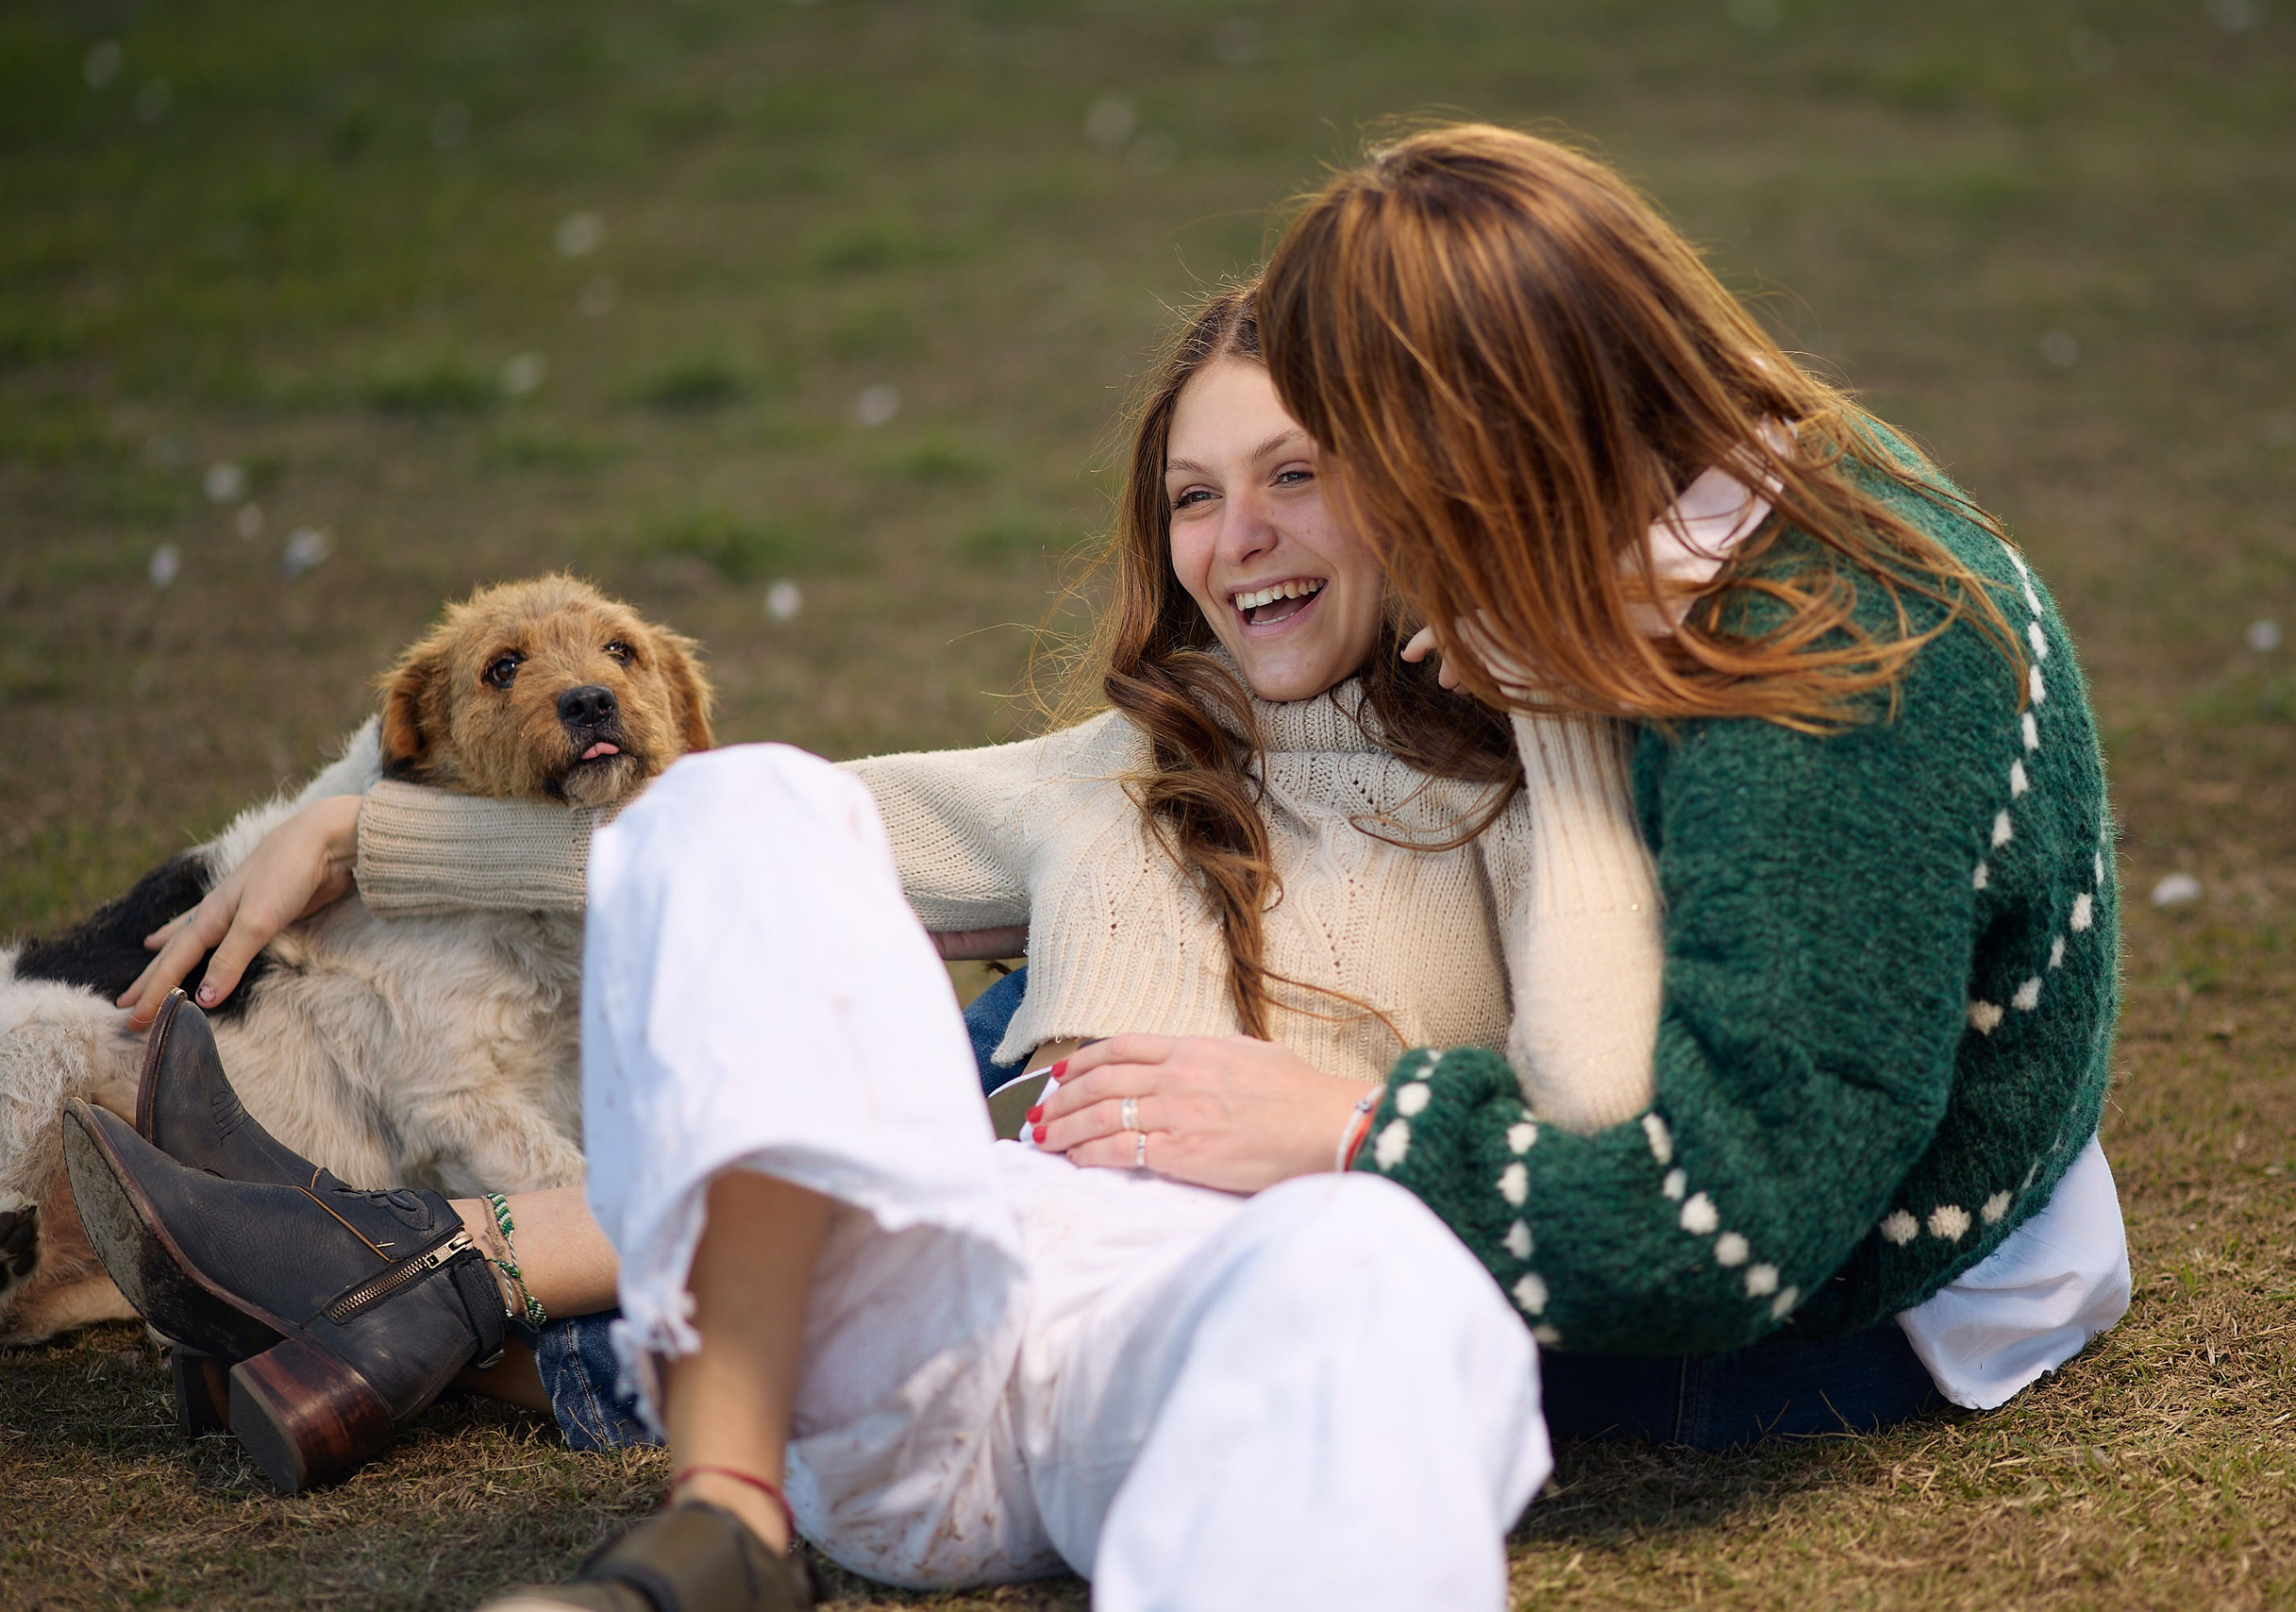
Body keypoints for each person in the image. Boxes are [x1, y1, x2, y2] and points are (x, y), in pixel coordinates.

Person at [93, 123, 2131, 1605]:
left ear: (1455, 475)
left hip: (1197, 1296)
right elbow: (817, 824)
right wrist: (366, 823)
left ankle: (414, 1278)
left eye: (1315, 476)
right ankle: (691, 1494)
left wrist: (1545, 720)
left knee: (1341, 1282)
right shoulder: (1139, 745)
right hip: (937, 1253)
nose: (1246, 535)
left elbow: (1642, 1125)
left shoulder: (1542, 748)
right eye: (1193, 495)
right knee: (749, 807)